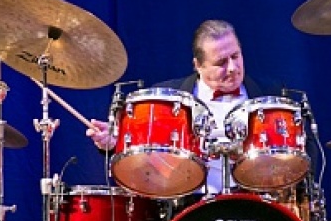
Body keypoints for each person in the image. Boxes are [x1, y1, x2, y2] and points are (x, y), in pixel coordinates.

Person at [86, 19, 276, 197]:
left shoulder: (270, 95)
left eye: (235, 56)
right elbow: (145, 154)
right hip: (186, 204)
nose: (233, 67)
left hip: (256, 204)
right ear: (198, 65)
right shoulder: (165, 99)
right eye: (221, 62)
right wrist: (114, 142)